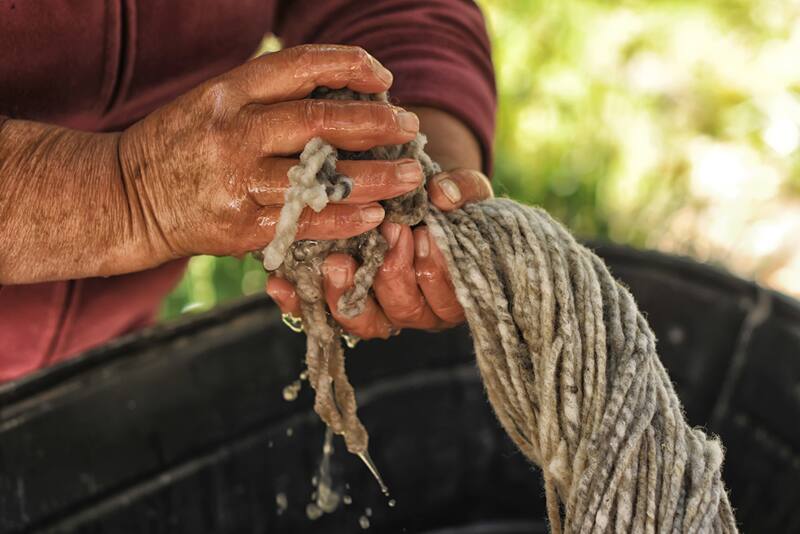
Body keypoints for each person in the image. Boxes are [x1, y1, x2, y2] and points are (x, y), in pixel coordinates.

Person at [0, 1, 496, 382]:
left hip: (111, 363)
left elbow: (391, 9)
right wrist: (129, 194)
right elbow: (132, 194)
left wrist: (415, 157)